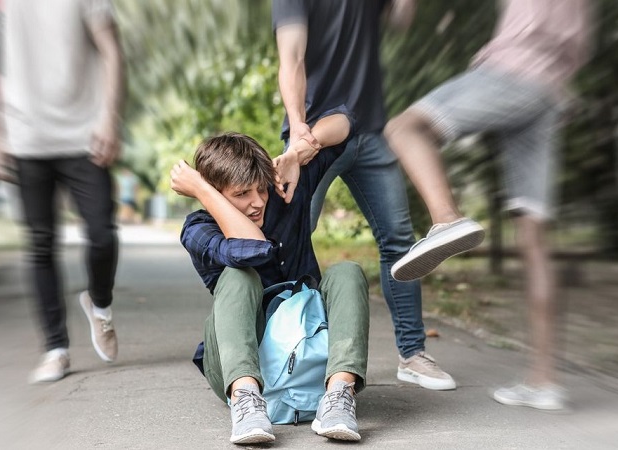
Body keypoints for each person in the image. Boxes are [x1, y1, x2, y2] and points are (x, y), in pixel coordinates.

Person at [384, 0, 593, 410]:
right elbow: (577, 44)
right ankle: (544, 382)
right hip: (549, 92)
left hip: (511, 70)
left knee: (405, 128)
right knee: (534, 241)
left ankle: (447, 219)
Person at [272, 0, 458, 392]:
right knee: (291, 244)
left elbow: (402, 20)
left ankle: (413, 354)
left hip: (369, 131)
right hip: (314, 133)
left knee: (399, 242)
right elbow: (291, 57)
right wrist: (297, 126)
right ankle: (281, 354)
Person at [170, 123, 370, 444]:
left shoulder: (284, 193)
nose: (258, 202)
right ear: (214, 195)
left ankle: (338, 396)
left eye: (260, 189)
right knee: (239, 273)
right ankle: (247, 402)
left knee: (347, 271)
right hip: (240, 364)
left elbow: (345, 126)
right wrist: (203, 190)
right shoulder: (198, 228)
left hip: (309, 348)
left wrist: (295, 152)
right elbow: (252, 246)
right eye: (241, 194)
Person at [0, 0, 124, 383]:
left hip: (85, 134)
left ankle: (99, 303)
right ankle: (55, 348)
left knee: (103, 235)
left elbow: (111, 48)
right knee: (41, 243)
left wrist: (110, 118)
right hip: (26, 138)